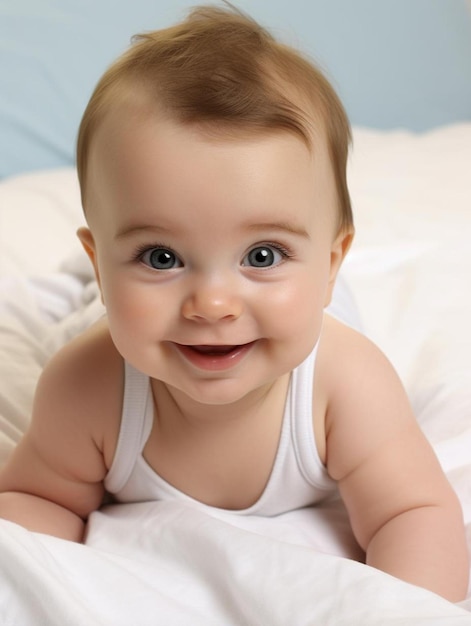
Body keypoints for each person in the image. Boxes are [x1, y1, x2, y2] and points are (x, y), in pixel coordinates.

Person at [0, 3, 468, 602]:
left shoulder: (346, 386)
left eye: (263, 254)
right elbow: (36, 500)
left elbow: (414, 512)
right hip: (124, 315)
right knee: (81, 313)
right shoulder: (85, 387)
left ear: (330, 264)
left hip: (304, 322)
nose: (213, 304)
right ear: (101, 259)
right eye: (161, 256)